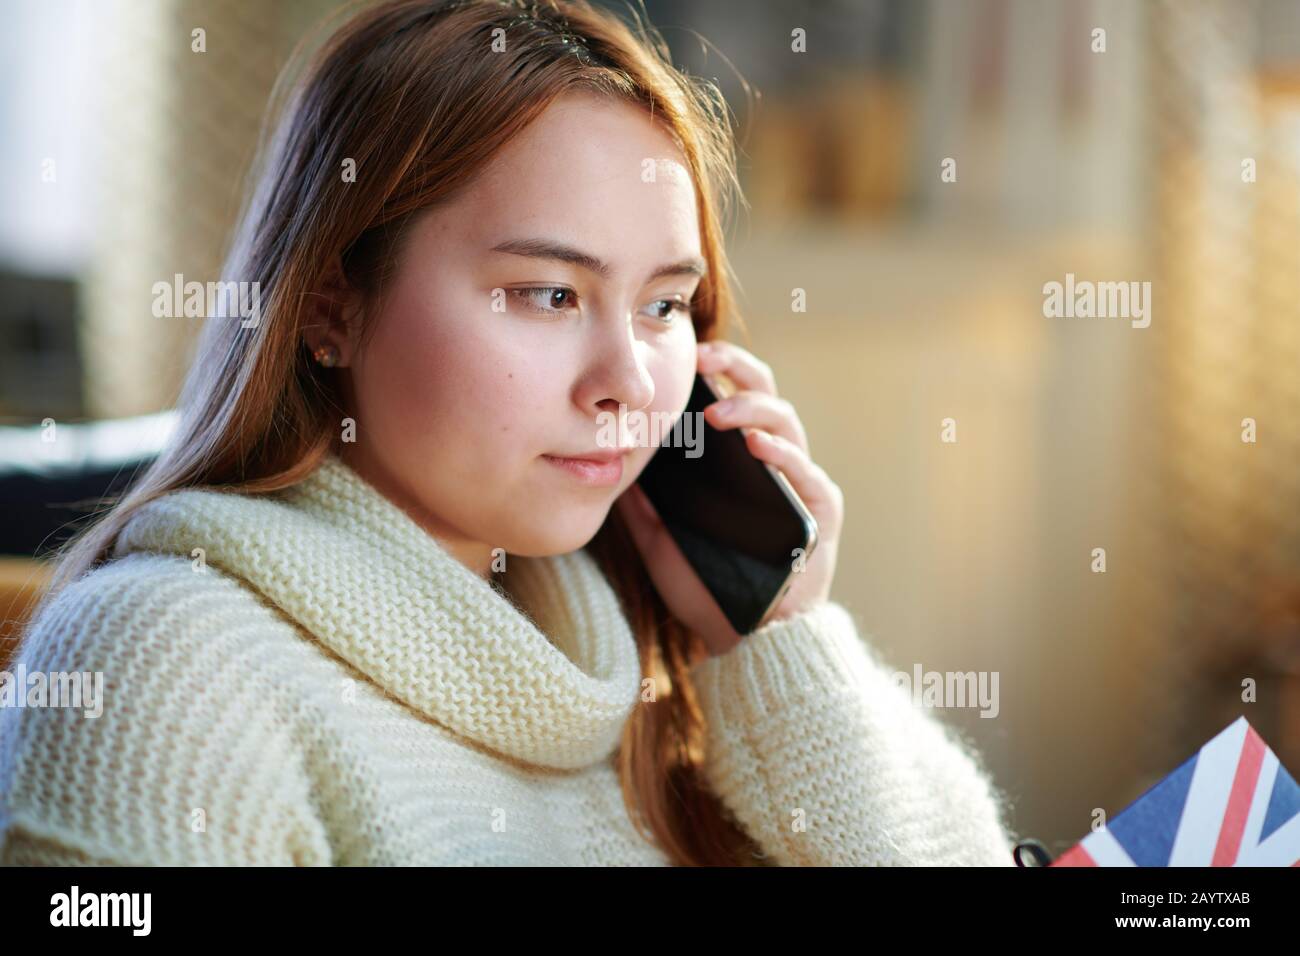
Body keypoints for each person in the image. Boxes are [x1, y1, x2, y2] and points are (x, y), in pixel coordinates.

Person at [0, 0, 1018, 866]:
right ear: (328, 309)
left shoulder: (658, 652)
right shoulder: (163, 668)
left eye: (665, 305)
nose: (627, 383)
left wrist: (779, 639)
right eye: (545, 293)